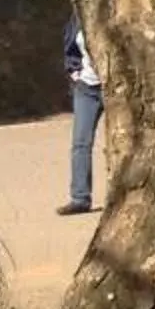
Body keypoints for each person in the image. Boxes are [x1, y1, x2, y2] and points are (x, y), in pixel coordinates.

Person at [61, 15, 102, 216]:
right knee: (80, 143)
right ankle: (80, 198)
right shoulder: (79, 16)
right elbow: (71, 46)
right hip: (87, 87)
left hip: (116, 85)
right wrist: (74, 72)